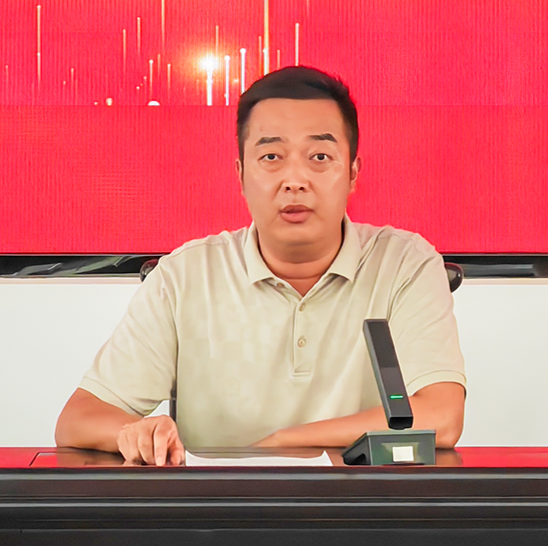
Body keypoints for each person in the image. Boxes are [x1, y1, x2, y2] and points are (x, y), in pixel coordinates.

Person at [55, 66, 466, 466]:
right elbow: (79, 420)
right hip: (219, 507)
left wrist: (279, 445)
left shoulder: (404, 264)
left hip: (359, 506)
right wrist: (135, 432)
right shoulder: (184, 276)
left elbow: (442, 417)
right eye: (271, 156)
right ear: (240, 174)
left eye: (320, 156)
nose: (295, 180)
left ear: (353, 173)